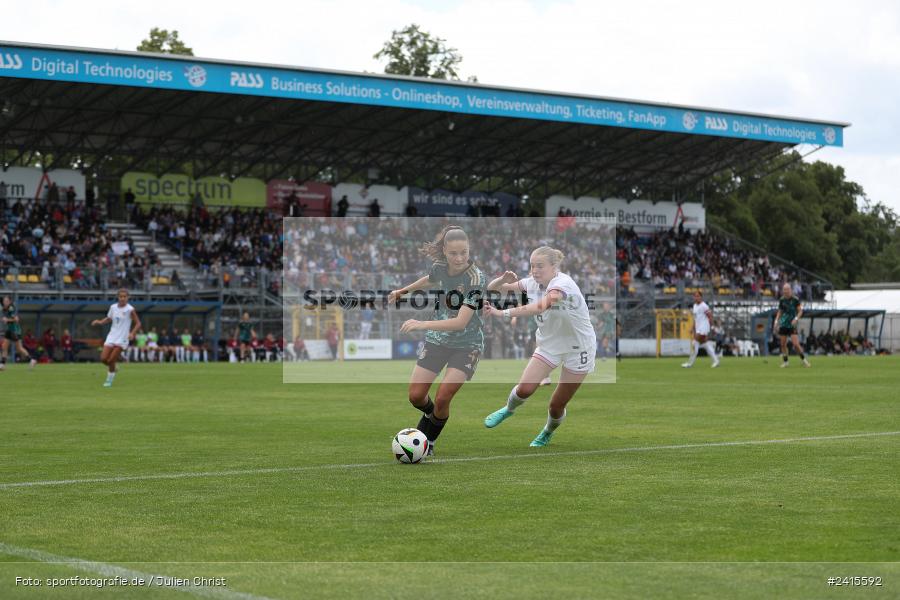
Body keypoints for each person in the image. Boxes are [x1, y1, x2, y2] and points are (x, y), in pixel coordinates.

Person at [482, 246, 597, 447]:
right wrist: (502, 279)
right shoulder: (530, 283)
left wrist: (503, 313)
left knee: (556, 405)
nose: (535, 270)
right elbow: (493, 289)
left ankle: (547, 431)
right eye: (532, 266)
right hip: (549, 345)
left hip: (579, 349)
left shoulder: (563, 284)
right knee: (524, 389)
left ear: (554, 266)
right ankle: (508, 409)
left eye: (540, 266)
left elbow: (541, 306)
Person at [390, 225, 486, 457]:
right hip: (437, 341)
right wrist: (403, 291)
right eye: (454, 253)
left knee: (443, 397)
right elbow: (429, 279)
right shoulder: (440, 267)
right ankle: (431, 417)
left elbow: (460, 322)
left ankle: (428, 442)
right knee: (415, 396)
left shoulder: (476, 278)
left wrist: (422, 324)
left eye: (464, 252)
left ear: (469, 249)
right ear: (444, 251)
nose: (460, 258)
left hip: (467, 344)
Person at [91, 288, 141, 387]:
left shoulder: (130, 309)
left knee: (111, 360)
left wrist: (132, 333)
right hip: (112, 336)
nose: (122, 298)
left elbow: (138, 323)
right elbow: (109, 319)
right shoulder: (113, 307)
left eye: (124, 297)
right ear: (118, 297)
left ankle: (109, 380)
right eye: (121, 296)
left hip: (122, 339)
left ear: (128, 297)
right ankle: (114, 367)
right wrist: (99, 322)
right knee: (103, 359)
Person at [774, 283, 811, 368]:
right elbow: (780, 311)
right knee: (783, 344)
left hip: (792, 324)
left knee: (796, 344)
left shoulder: (795, 299)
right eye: (784, 289)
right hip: (783, 324)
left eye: (787, 289)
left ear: (790, 290)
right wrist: (776, 321)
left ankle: (804, 361)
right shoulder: (782, 300)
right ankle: (786, 362)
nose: (785, 291)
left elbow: (800, 311)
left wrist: (796, 319)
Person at [681, 290, 719, 368]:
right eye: (695, 296)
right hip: (699, 328)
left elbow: (710, 316)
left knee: (694, 343)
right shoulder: (695, 306)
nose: (696, 297)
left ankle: (689, 364)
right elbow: (695, 319)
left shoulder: (704, 306)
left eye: (698, 296)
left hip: (704, 328)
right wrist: (692, 328)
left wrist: (712, 327)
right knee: (706, 344)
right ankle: (716, 361)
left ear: (701, 297)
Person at [1, 296, 38, 370]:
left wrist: (7, 320)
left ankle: (31, 360)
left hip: (15, 330)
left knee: (19, 348)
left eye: (7, 301)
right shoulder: (4, 308)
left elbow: (16, 319)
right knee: (4, 346)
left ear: (10, 301)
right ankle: (2, 364)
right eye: (4, 301)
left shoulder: (11, 308)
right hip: (9, 330)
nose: (5, 302)